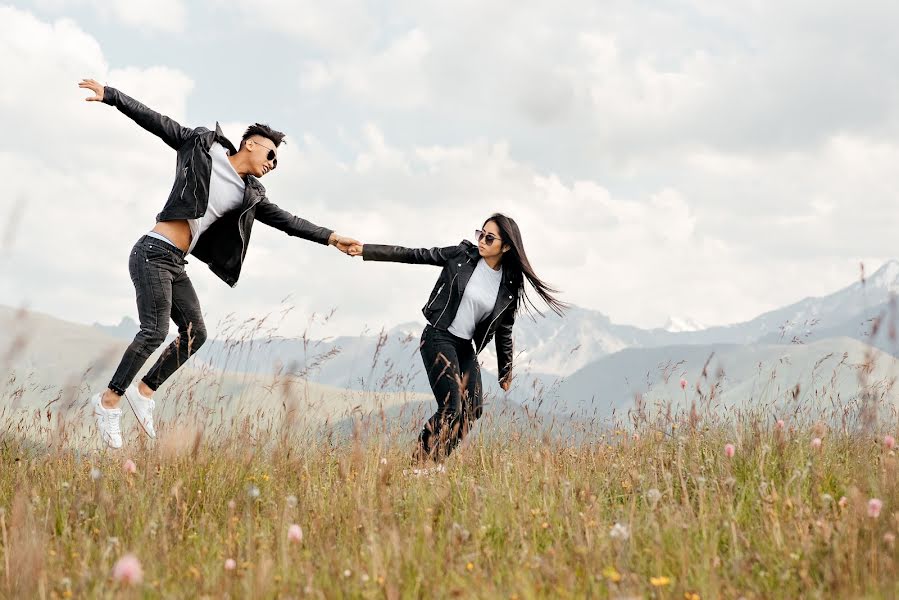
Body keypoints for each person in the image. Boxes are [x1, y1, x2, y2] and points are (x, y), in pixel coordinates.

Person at [79, 78, 359, 449]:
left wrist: (331, 236)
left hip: (175, 263)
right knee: (154, 331)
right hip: (152, 251)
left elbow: (290, 223)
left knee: (195, 332)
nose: (274, 164)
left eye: (278, 161)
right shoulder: (201, 147)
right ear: (251, 145)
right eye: (271, 155)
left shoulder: (251, 195)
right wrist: (112, 96)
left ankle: (143, 392)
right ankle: (108, 400)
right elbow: (156, 120)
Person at [349, 213, 566, 461]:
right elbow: (414, 254)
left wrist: (505, 371)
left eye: (489, 237)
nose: (482, 240)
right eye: (480, 234)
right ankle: (418, 463)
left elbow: (504, 329)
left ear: (505, 246)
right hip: (438, 336)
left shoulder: (509, 283)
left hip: (464, 347)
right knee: (451, 407)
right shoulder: (461, 256)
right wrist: (366, 250)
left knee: (473, 410)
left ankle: (436, 462)